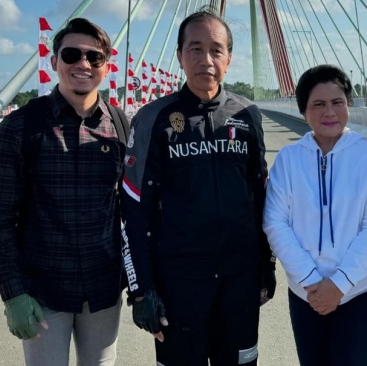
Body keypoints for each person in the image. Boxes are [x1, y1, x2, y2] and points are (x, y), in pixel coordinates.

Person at [120, 8, 275, 366]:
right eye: (195, 49)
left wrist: (266, 266)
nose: (206, 59)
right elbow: (133, 207)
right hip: (179, 282)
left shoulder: (248, 115)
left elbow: (261, 198)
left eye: (216, 50)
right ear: (179, 56)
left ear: (229, 58)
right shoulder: (152, 118)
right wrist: (141, 290)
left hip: (239, 279)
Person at [0, 17, 128, 366]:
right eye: (72, 54)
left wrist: (143, 283)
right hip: (43, 291)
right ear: (54, 62)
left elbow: (135, 211)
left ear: (107, 66)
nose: (83, 64)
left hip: (104, 287)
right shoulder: (22, 126)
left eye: (95, 58)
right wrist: (13, 292)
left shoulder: (122, 125)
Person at [263, 65, 367, 366]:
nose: (329, 112)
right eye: (318, 104)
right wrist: (311, 281)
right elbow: (275, 222)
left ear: (349, 104)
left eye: (337, 102)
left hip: (359, 290)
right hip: (305, 291)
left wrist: (339, 285)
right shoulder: (288, 160)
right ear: (303, 111)